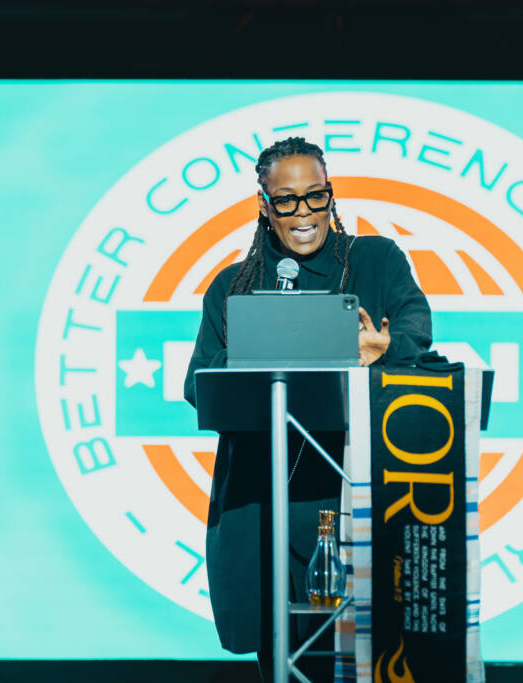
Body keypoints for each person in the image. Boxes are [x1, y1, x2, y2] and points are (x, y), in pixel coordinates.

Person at [183, 137, 432, 682]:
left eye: (315, 196)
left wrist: (387, 348)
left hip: (357, 489)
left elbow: (416, 330)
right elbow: (199, 383)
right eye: (287, 200)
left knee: (370, 656)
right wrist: (265, 355)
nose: (303, 213)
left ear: (330, 195)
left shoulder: (374, 260)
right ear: (264, 205)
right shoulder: (233, 287)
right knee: (281, 659)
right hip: (263, 499)